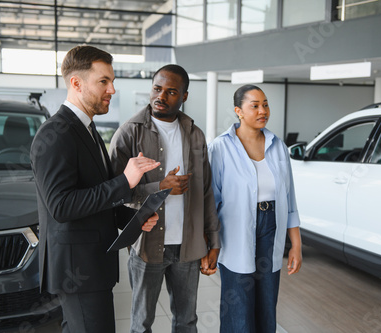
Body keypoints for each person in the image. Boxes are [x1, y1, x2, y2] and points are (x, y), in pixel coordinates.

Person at [30, 45, 161, 333]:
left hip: (92, 267)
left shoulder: (87, 129)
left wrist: (134, 220)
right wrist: (125, 181)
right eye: (104, 81)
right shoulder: (54, 135)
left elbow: (94, 198)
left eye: (112, 81)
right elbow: (62, 207)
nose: (112, 89)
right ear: (76, 83)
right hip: (78, 271)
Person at [109, 64, 221, 333]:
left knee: (186, 321)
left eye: (171, 92)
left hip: (188, 246)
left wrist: (213, 240)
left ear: (184, 96)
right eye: (157, 89)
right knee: (142, 323)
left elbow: (206, 191)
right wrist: (160, 186)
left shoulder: (195, 135)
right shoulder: (129, 132)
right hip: (146, 245)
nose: (161, 96)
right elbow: (113, 192)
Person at [208, 84, 302, 333]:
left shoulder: (278, 146)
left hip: (272, 228)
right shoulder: (220, 148)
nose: (263, 110)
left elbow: (289, 198)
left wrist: (296, 245)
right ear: (238, 111)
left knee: (267, 303)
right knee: (237, 304)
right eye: (255, 106)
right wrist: (211, 245)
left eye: (266, 104)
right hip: (235, 230)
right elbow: (212, 202)